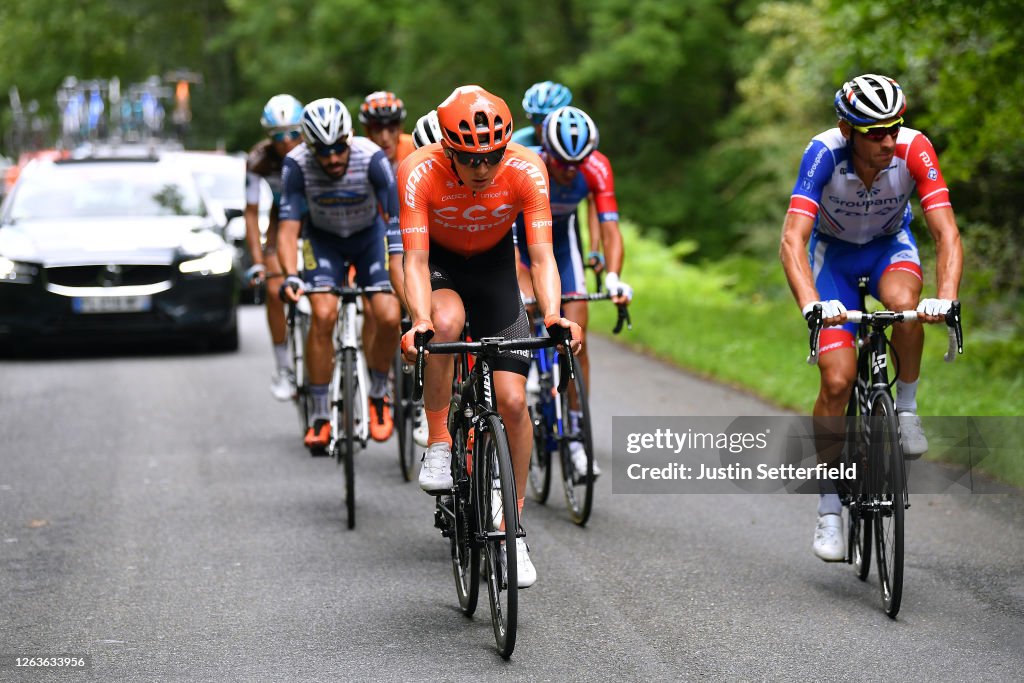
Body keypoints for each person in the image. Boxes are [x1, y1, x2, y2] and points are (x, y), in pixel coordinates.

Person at [397, 85, 582, 588]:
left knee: (514, 400)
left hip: (496, 271)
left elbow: (542, 257)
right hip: (440, 267)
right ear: (449, 150)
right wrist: (419, 319)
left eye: (491, 157)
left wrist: (553, 314)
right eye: (471, 159)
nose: (482, 170)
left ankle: (512, 529)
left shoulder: (525, 169)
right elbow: (412, 260)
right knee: (449, 323)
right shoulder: (418, 170)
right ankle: (438, 440)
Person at [779, 74, 963, 561]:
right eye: (874, 132)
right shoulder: (822, 153)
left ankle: (905, 408)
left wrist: (944, 298)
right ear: (847, 129)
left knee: (905, 309)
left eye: (893, 128)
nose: (887, 140)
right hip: (833, 260)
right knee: (837, 382)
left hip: (888, 250)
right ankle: (828, 509)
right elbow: (792, 238)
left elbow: (946, 233)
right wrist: (810, 305)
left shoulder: (914, 149)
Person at [277, 97, 404, 452]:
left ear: (349, 138)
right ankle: (319, 413)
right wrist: (290, 275)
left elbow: (396, 221)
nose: (332, 158)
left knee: (389, 314)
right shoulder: (296, 164)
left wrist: (402, 268)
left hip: (369, 238)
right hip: (323, 242)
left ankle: (379, 394)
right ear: (307, 145)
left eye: (338, 149)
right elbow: (287, 231)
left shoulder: (371, 157)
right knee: (323, 313)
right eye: (323, 151)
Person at [514, 105, 632, 480]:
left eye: (577, 162)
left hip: (562, 241)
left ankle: (578, 436)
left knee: (577, 334)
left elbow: (610, 227)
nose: (569, 170)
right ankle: (526, 377)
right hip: (519, 236)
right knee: (525, 307)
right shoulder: (528, 162)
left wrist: (613, 276)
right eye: (562, 162)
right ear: (546, 150)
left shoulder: (596, 167)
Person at [244, 94, 305, 401]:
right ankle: (283, 366)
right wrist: (257, 261)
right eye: (278, 136)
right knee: (273, 289)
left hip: (317, 223)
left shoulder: (318, 151)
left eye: (294, 133)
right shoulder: (259, 160)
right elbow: (251, 212)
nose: (286, 142)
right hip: (281, 225)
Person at [513, 80, 603, 274]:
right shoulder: (519, 143)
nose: (541, 125)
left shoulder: (578, 141)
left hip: (561, 219)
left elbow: (593, 197)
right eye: (535, 118)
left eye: (546, 117)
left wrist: (595, 248)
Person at [359, 91, 416, 172]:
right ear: (368, 133)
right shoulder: (360, 155)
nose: (385, 138)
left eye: (391, 129)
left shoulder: (414, 148)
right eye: (377, 130)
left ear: (400, 129)